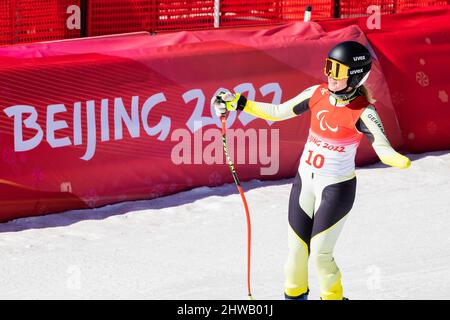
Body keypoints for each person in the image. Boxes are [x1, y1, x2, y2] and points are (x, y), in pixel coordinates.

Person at [211, 41, 411, 300]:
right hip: (304, 181)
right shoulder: (316, 94)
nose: (329, 74)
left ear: (355, 75)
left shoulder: (363, 112)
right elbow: (277, 112)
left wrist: (395, 158)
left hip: (336, 188)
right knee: (296, 252)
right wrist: (238, 102)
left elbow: (381, 145)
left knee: (319, 254)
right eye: (328, 66)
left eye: (337, 70)